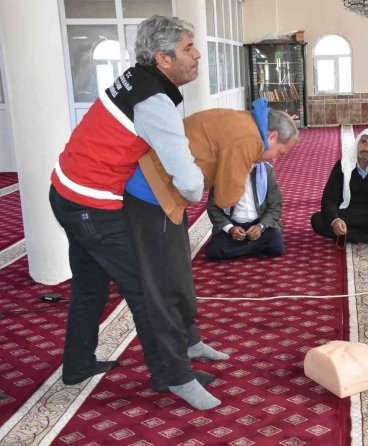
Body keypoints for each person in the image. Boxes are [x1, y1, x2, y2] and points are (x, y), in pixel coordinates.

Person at [48, 15, 213, 393]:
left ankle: (77, 364)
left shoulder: (135, 80)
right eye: (188, 48)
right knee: (146, 291)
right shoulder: (154, 101)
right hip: (90, 205)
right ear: (163, 59)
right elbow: (188, 182)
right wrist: (198, 189)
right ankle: (174, 377)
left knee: (90, 286)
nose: (197, 55)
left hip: (65, 191)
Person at [125, 98, 298, 410]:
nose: (277, 160)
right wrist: (234, 168)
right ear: (271, 136)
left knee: (181, 277)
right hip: (151, 197)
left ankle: (190, 344)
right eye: (281, 153)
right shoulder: (249, 138)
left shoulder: (247, 125)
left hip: (169, 198)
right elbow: (228, 195)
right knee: (163, 289)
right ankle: (177, 377)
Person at [204, 162, 284, 261]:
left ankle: (240, 249)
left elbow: (275, 206)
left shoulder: (265, 170)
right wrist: (230, 228)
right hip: (233, 226)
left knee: (277, 247)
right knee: (213, 252)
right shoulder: (220, 173)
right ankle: (255, 247)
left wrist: (260, 226)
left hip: (260, 223)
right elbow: (213, 208)